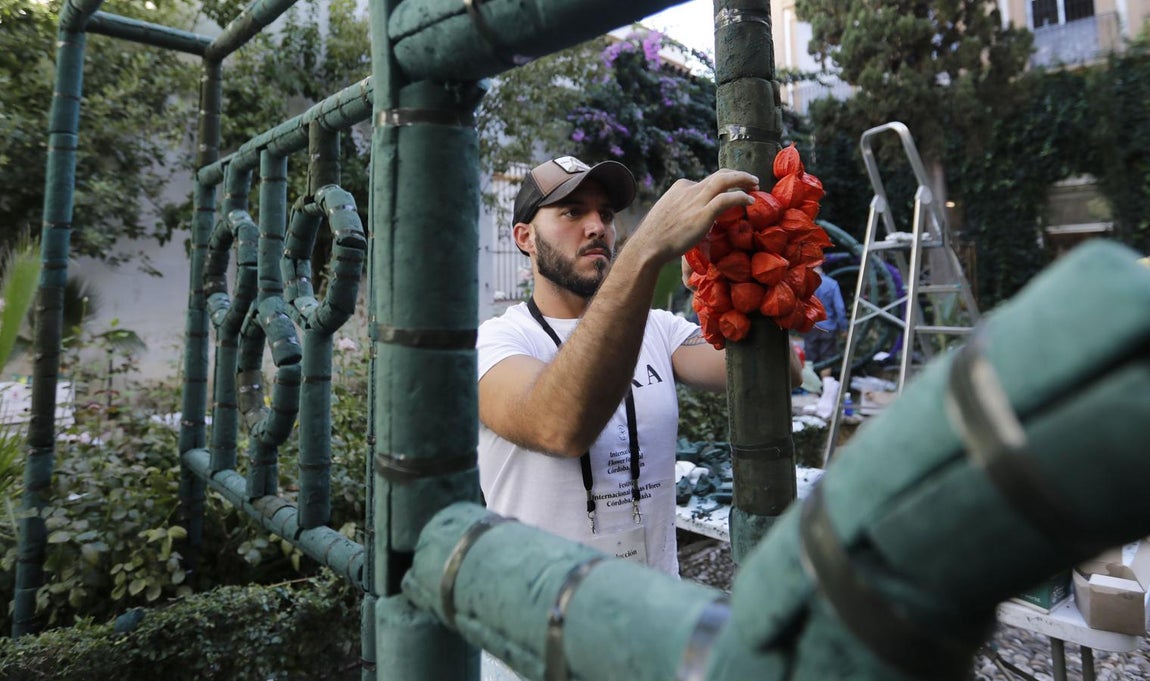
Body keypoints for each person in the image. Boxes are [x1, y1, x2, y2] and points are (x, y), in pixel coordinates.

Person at [476, 155, 801, 577]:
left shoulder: (658, 330)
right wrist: (646, 249)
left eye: (606, 214)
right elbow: (557, 427)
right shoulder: (495, 341)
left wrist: (719, 281)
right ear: (525, 237)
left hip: (652, 614)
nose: (597, 228)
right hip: (541, 626)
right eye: (572, 212)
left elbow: (779, 371)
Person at [801, 265, 847, 378]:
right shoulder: (832, 284)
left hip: (810, 327)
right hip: (828, 327)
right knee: (827, 359)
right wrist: (844, 328)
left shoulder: (804, 284)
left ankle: (812, 392)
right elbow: (840, 308)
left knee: (810, 360)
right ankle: (826, 391)